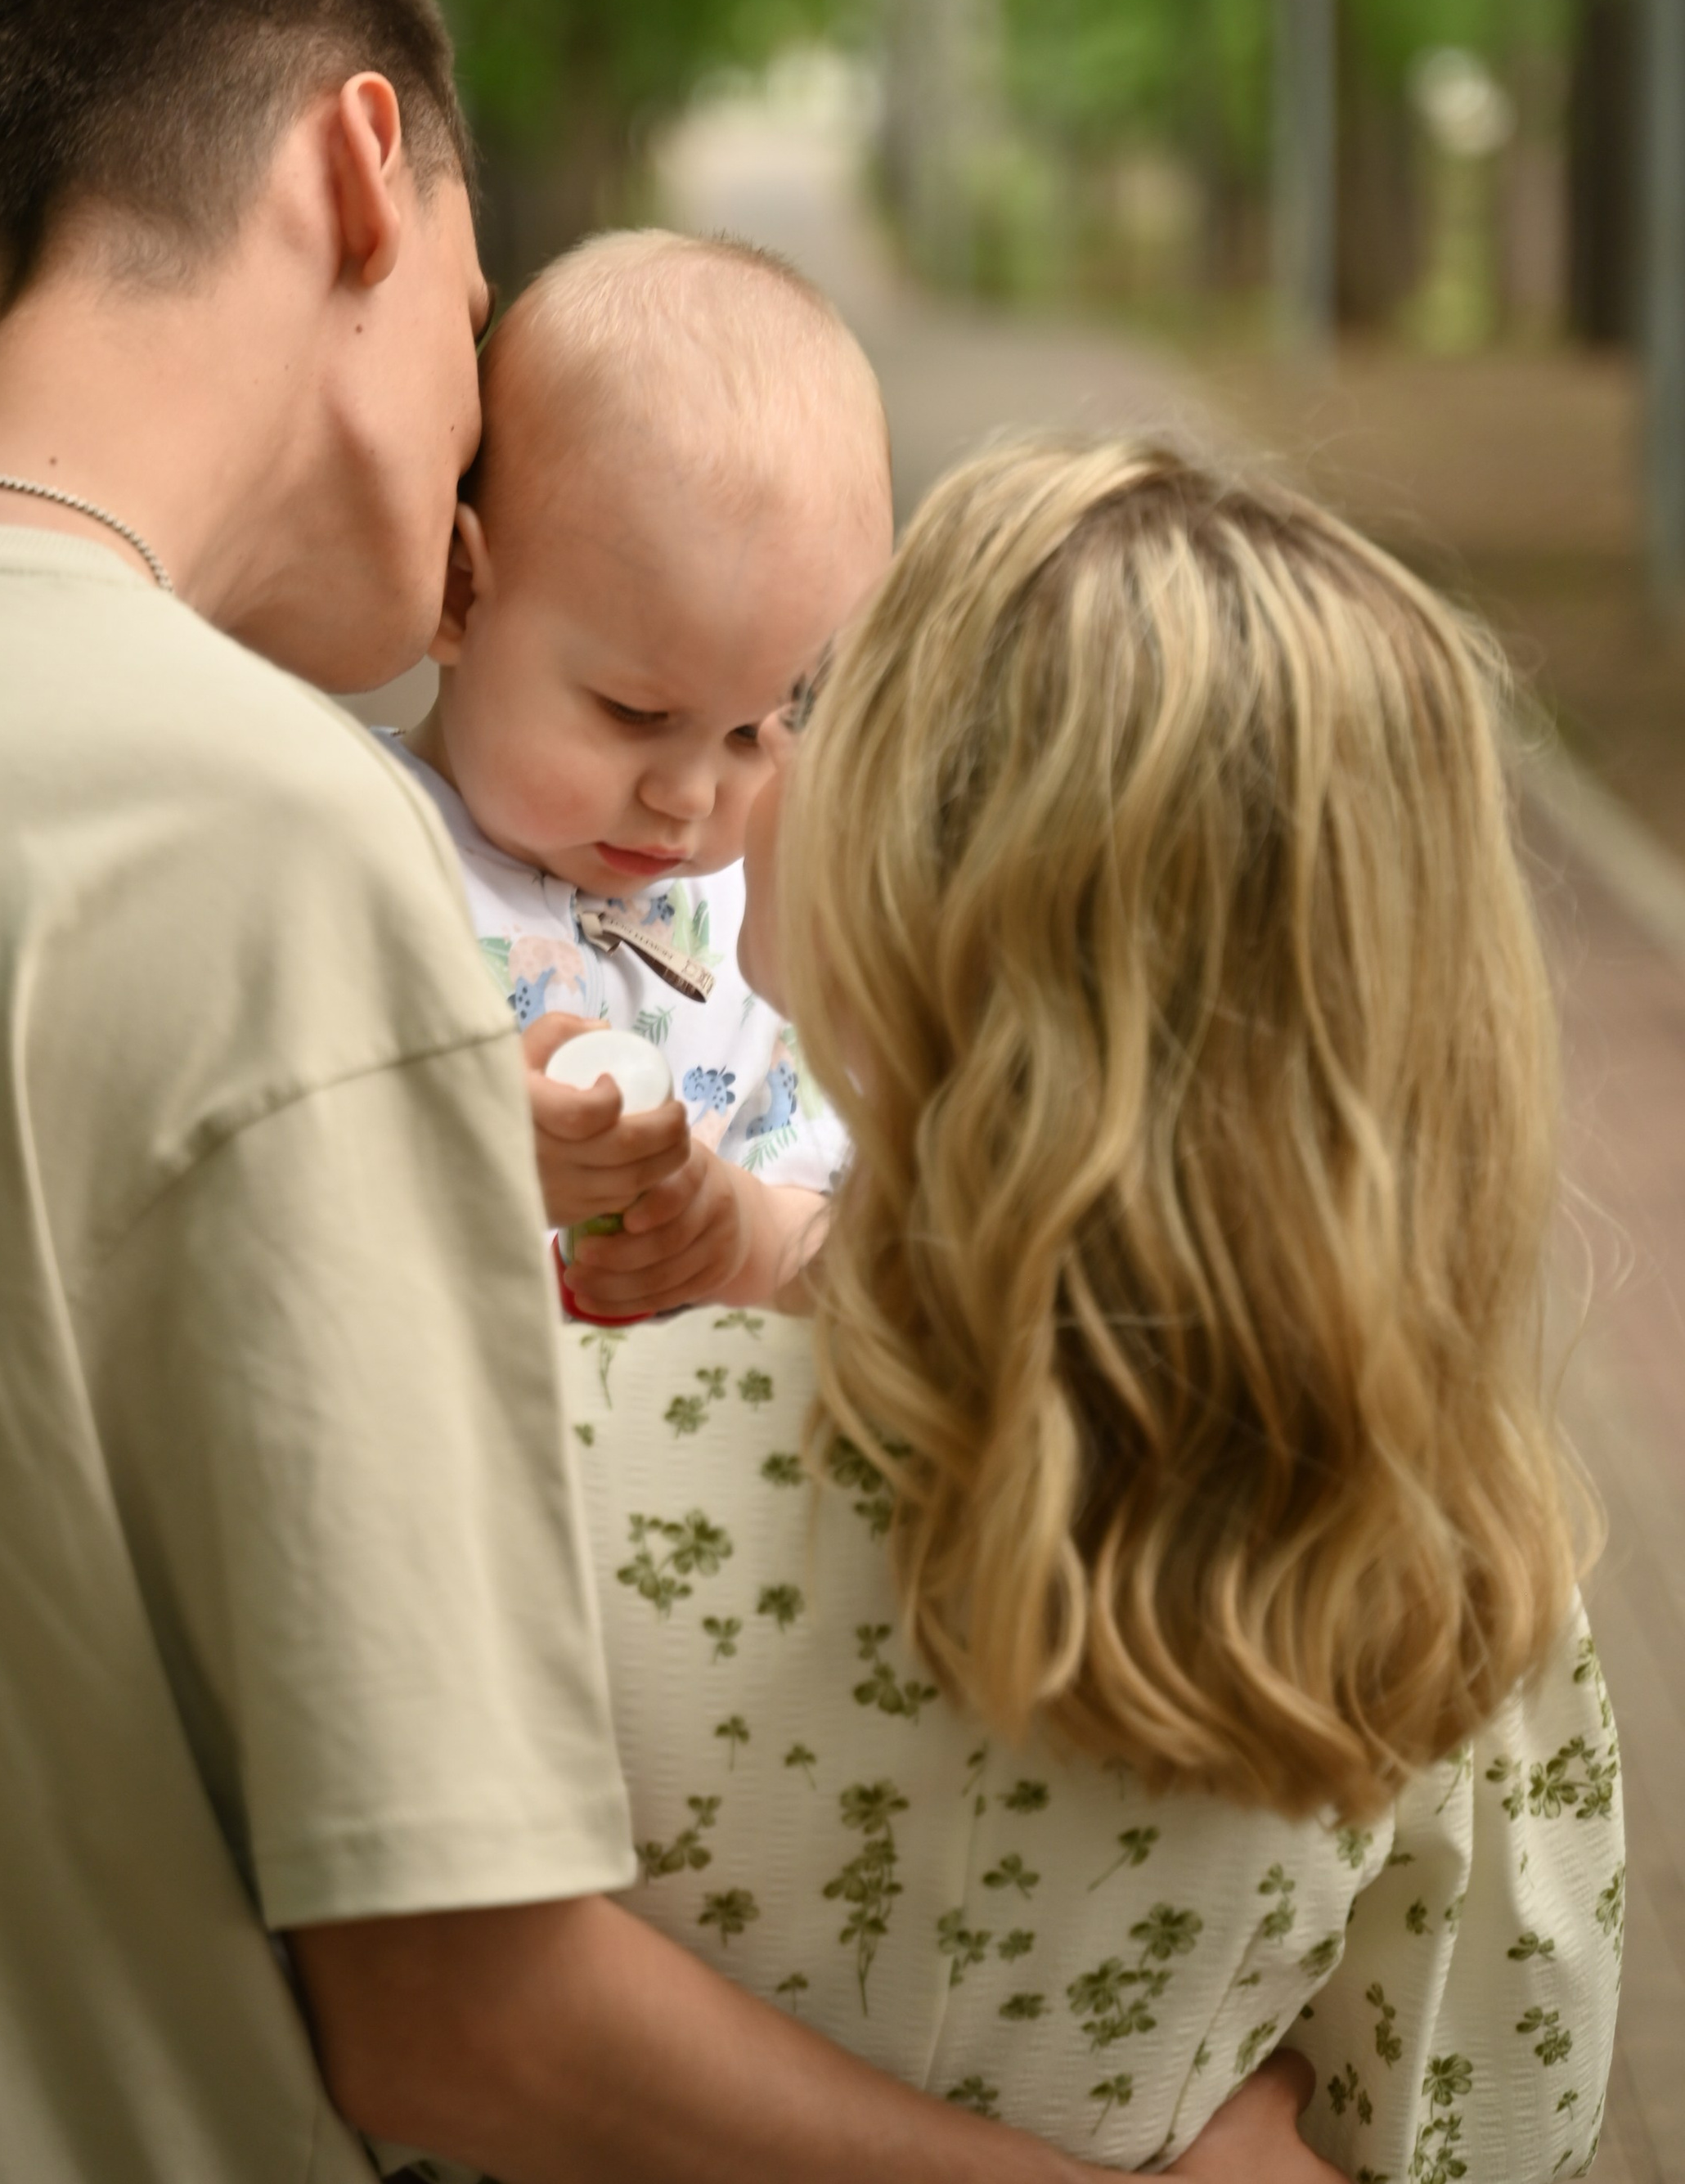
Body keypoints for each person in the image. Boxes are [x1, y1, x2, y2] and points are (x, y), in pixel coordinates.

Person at [0, 0, 1332, 2184]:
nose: (477, 458)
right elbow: (467, 2017)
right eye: (481, 313)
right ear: (360, 168)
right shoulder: (273, 840)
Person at [559, 441, 1624, 2177]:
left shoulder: (563, 1461)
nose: (769, 749)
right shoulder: (1455, 1587)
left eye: (825, 702)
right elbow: (1481, 2122)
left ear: (929, 889)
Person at [384, 227, 892, 1319]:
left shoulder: (764, 922)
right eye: (637, 714)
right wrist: (453, 1147)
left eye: (756, 734)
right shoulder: (350, 853)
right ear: (462, 595)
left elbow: (866, 1230)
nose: (690, 797)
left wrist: (749, 1239)